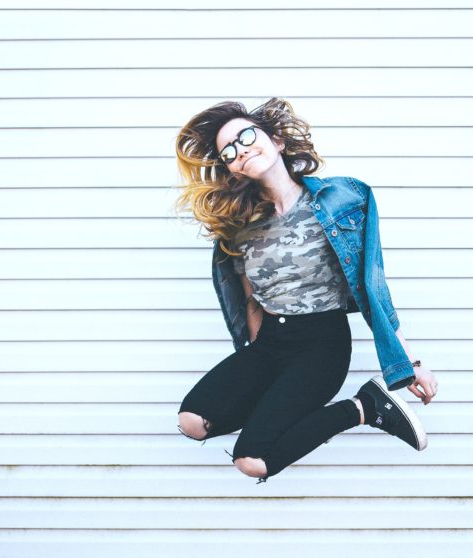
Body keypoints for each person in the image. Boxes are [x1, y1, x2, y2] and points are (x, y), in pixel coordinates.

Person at [173, 97, 438, 484]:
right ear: (231, 170)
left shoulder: (343, 200)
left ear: (276, 141)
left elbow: (373, 287)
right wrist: (252, 360)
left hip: (321, 346)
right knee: (193, 421)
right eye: (228, 152)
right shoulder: (238, 227)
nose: (240, 149)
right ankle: (282, 408)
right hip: (270, 343)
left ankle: (364, 407)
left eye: (246, 135)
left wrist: (407, 363)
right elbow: (248, 299)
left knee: (253, 461)